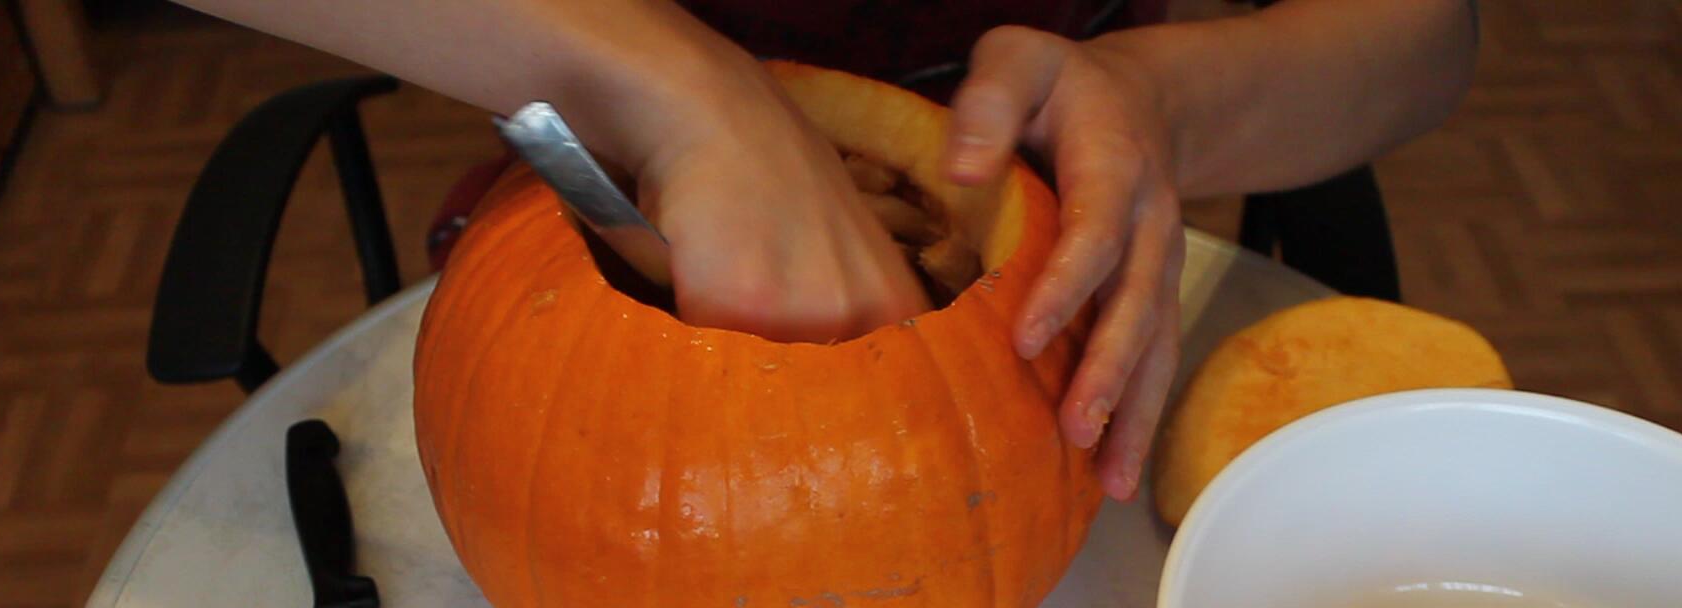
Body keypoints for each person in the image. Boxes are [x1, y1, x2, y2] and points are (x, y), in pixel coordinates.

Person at [181, 0, 1478, 501]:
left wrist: (1161, 102)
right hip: (602, 213)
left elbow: (1427, 36)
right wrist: (658, 77)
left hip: (1048, 299)